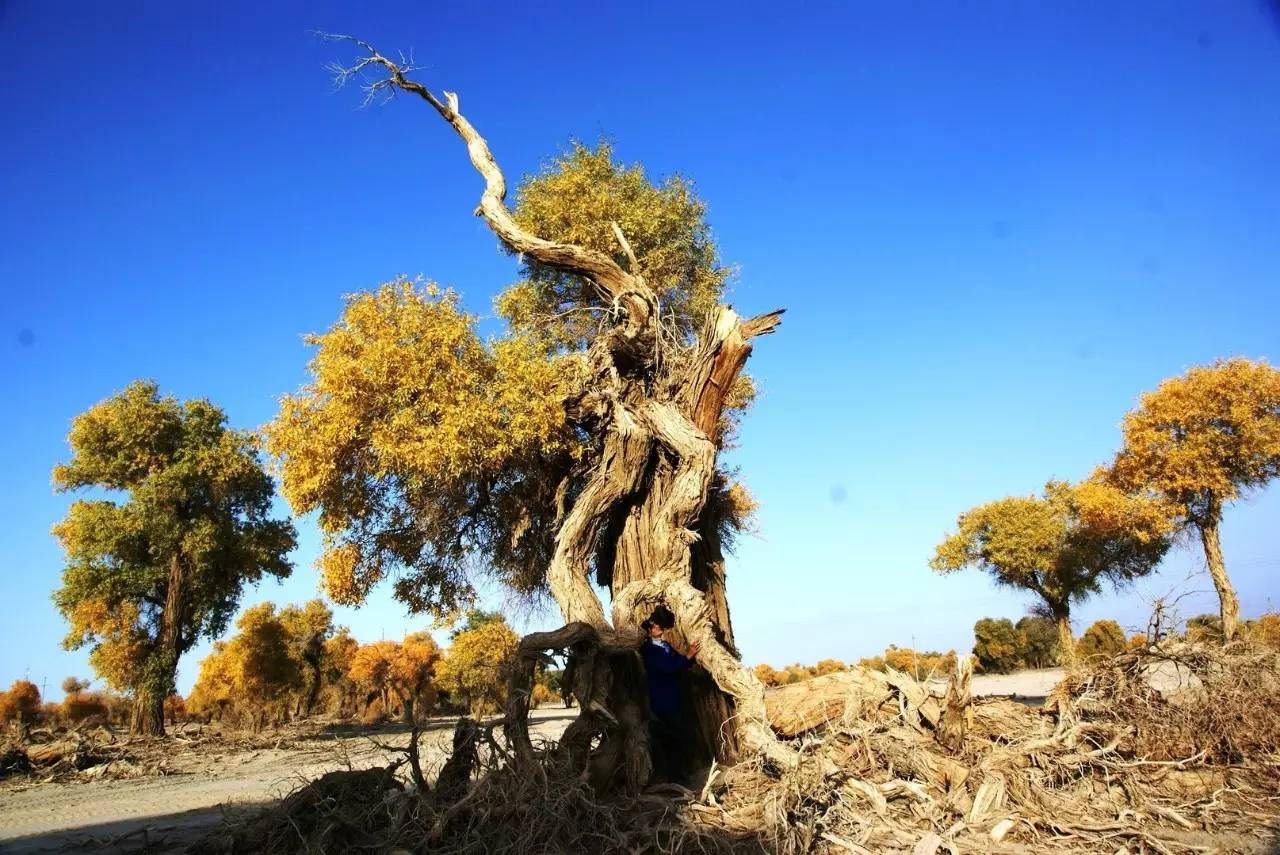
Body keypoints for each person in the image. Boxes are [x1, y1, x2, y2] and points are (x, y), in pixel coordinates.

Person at [640, 608, 699, 785]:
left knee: (678, 736)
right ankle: (673, 777)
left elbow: (681, 662)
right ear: (649, 630)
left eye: (659, 626)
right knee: (671, 738)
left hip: (674, 698)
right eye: (654, 626)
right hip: (661, 700)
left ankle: (679, 774)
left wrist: (689, 657)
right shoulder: (648, 650)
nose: (658, 628)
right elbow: (667, 667)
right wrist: (687, 656)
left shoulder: (666, 646)